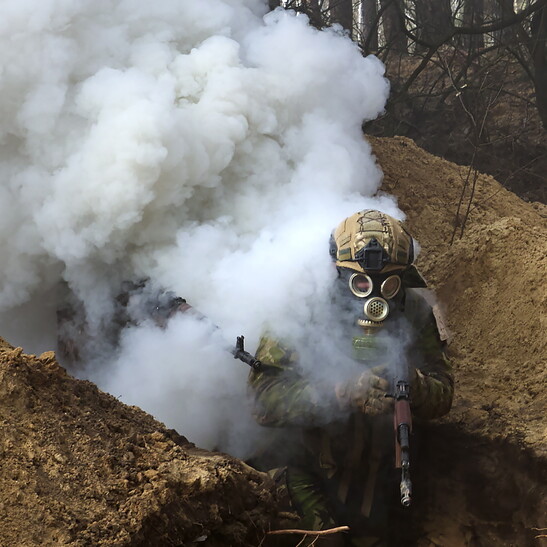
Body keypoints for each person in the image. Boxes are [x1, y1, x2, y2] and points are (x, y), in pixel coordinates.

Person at [248, 209, 454, 546]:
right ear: (336, 271)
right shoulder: (300, 310)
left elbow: (443, 393)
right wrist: (339, 393)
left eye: (389, 283)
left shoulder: (416, 313)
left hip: (375, 478)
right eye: (360, 283)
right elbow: (262, 401)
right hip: (302, 469)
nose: (375, 297)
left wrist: (414, 385)